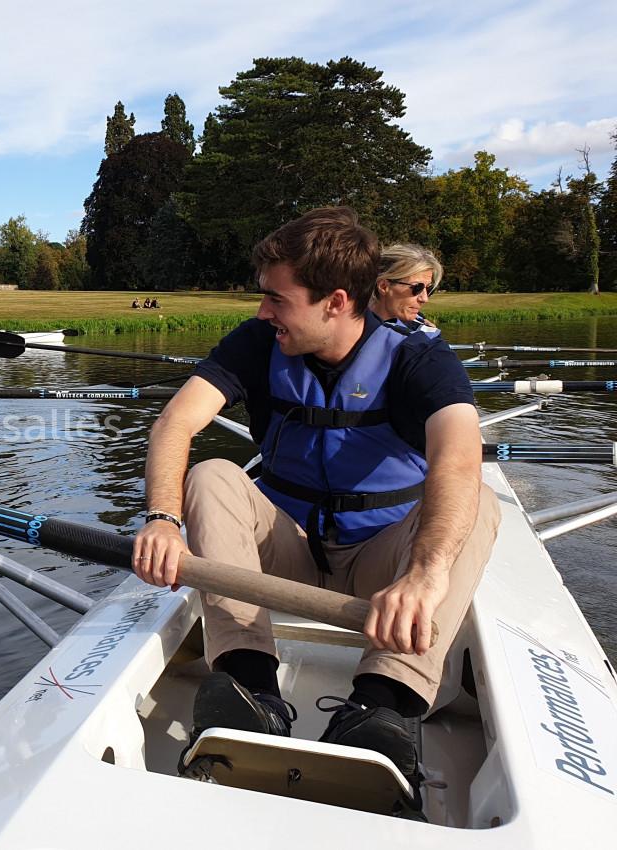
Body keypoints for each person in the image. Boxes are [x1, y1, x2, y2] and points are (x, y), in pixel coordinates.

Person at [131, 207, 498, 812]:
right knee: (214, 473)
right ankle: (250, 685)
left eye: (277, 299)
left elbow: (459, 461)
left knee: (477, 500)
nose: (262, 313)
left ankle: (382, 705)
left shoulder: (419, 358)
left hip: (386, 569)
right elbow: (175, 424)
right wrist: (163, 518)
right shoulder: (257, 344)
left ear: (334, 302)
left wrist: (425, 576)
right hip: (288, 553)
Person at [370, 243, 443, 335]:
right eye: (417, 287)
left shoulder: (422, 326)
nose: (424, 299)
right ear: (383, 286)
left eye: (429, 289)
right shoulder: (352, 331)